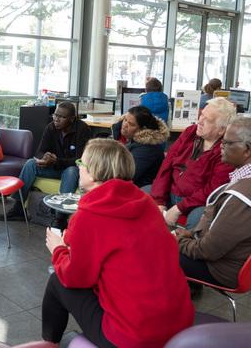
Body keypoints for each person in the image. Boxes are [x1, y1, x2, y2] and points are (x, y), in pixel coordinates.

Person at [42, 139, 193, 347]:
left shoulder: (89, 215)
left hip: (133, 337)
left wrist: (58, 249)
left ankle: (48, 344)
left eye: (81, 163)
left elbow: (75, 277)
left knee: (57, 281)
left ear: (95, 173)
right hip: (178, 325)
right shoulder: (146, 202)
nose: (78, 167)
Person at [177, 117, 251, 289]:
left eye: (226, 143)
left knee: (153, 250)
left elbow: (206, 251)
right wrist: (192, 234)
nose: (220, 147)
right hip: (234, 259)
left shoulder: (243, 198)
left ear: (246, 149)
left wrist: (178, 241)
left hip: (221, 269)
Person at [149, 97, 236, 230]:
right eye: (201, 114)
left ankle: (183, 249)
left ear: (221, 130)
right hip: (170, 192)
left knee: (197, 220)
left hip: (198, 203)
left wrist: (179, 207)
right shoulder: (190, 132)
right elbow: (166, 166)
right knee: (141, 195)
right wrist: (158, 200)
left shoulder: (226, 151)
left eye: (207, 120)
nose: (200, 121)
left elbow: (211, 190)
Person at [0, 101, 91, 221]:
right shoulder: (51, 127)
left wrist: (56, 161)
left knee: (71, 171)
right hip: (54, 166)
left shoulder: (82, 129)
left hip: (71, 169)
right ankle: (18, 208)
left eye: (61, 117)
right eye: (55, 115)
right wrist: (45, 157)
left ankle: (60, 217)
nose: (56, 119)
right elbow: (40, 151)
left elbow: (80, 160)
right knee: (31, 163)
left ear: (72, 119)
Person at [111, 106, 169, 187]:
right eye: (125, 120)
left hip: (139, 191)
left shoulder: (147, 149)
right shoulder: (133, 139)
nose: (124, 125)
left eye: (131, 124)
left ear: (142, 129)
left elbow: (126, 176)